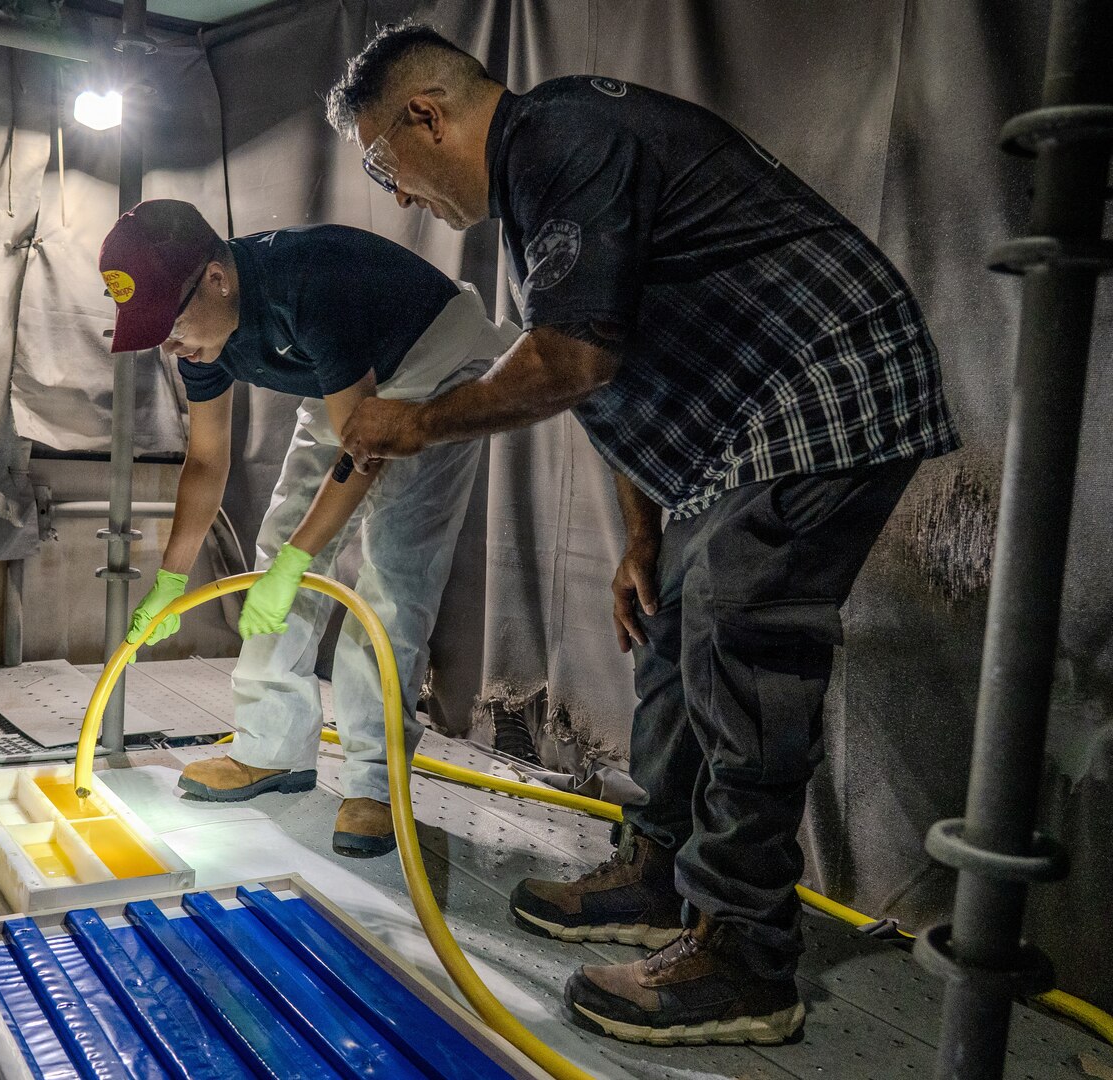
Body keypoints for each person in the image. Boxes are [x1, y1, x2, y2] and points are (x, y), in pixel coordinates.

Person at [326, 24, 959, 1045]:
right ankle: (664, 872)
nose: (395, 193)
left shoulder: (563, 139)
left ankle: (747, 958)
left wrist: (420, 422)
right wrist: (639, 537)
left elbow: (571, 362)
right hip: (729, 432)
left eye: (381, 164)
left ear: (424, 115)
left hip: (825, 384)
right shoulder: (536, 191)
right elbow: (606, 379)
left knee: (743, 640)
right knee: (670, 621)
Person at [99, 199, 517, 857]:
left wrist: (299, 563)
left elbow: (364, 453)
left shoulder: (311, 281)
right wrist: (171, 579)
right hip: (350, 383)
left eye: (170, 324)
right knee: (281, 544)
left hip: (437, 363)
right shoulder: (201, 333)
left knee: (394, 574)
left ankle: (375, 784)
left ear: (216, 277)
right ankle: (270, 750)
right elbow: (207, 460)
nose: (170, 345)